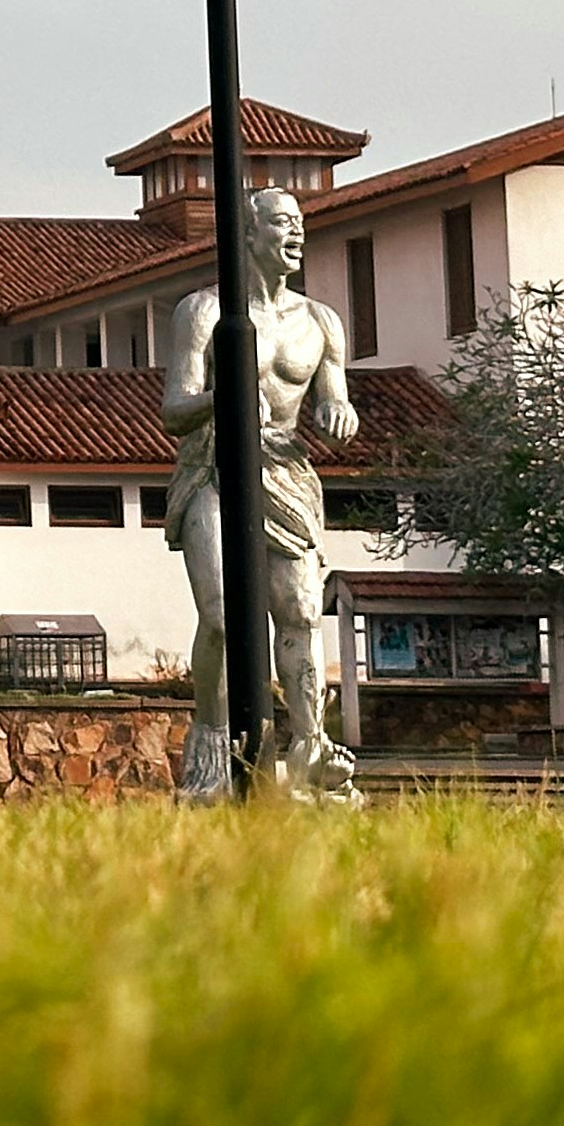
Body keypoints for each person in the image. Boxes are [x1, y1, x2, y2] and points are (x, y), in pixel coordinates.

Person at [160, 185, 359, 800]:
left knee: (300, 613)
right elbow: (174, 407)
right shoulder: (203, 312)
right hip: (214, 469)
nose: (295, 234)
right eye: (281, 223)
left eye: (300, 223)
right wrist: (225, 399)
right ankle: (214, 750)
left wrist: (340, 417)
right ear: (248, 235)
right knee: (221, 618)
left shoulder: (322, 322)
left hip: (286, 473)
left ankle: (310, 751)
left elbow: (336, 400)